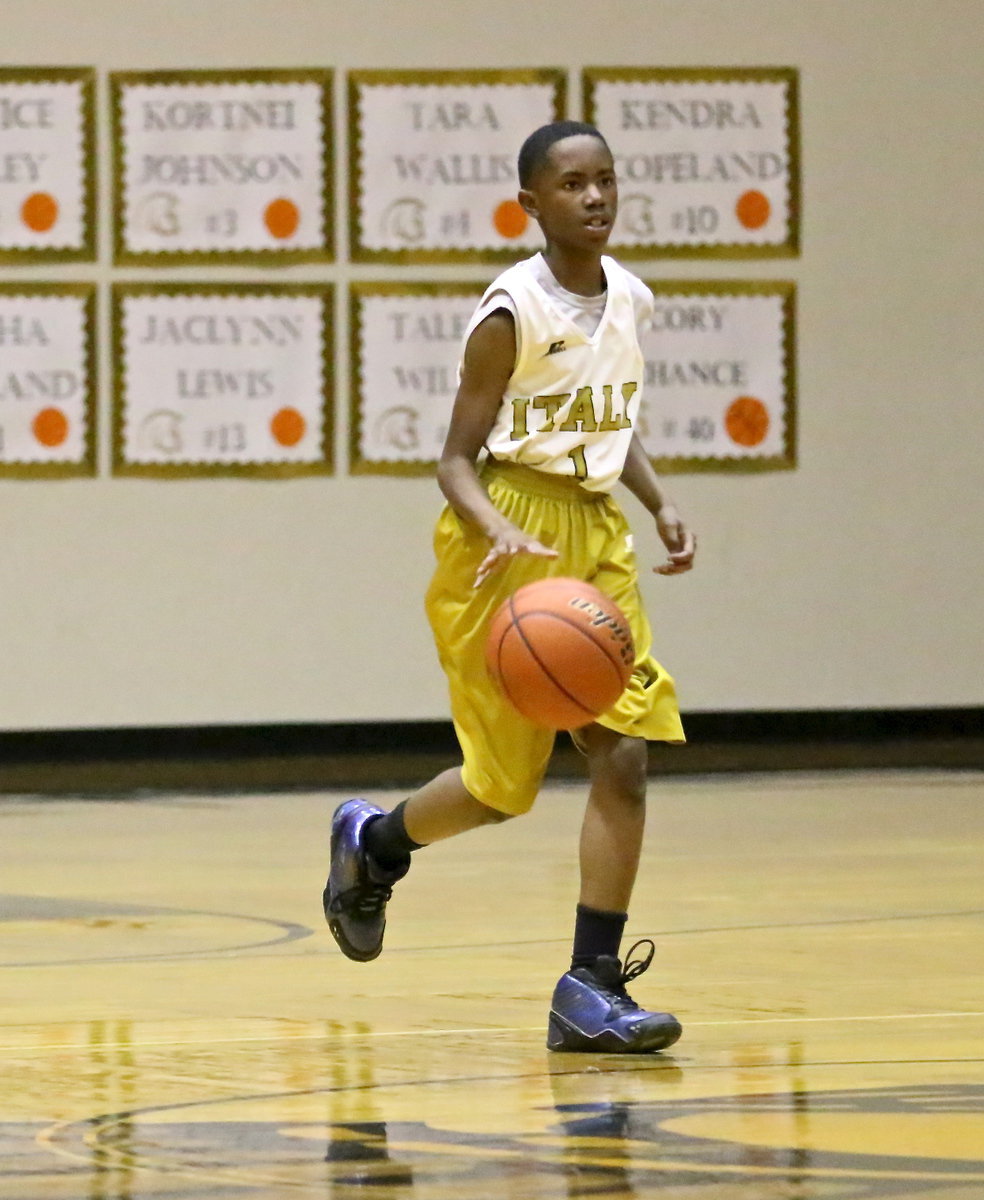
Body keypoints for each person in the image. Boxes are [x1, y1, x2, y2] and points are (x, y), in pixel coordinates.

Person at [323, 120, 696, 1054]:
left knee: (625, 755)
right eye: (573, 184)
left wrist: (657, 503)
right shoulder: (510, 313)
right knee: (501, 789)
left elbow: (608, 422)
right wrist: (496, 527)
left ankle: (589, 984)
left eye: (606, 179)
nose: (596, 197)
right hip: (505, 531)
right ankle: (375, 845)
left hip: (593, 530)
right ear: (531, 203)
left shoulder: (630, 298)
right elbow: (454, 459)